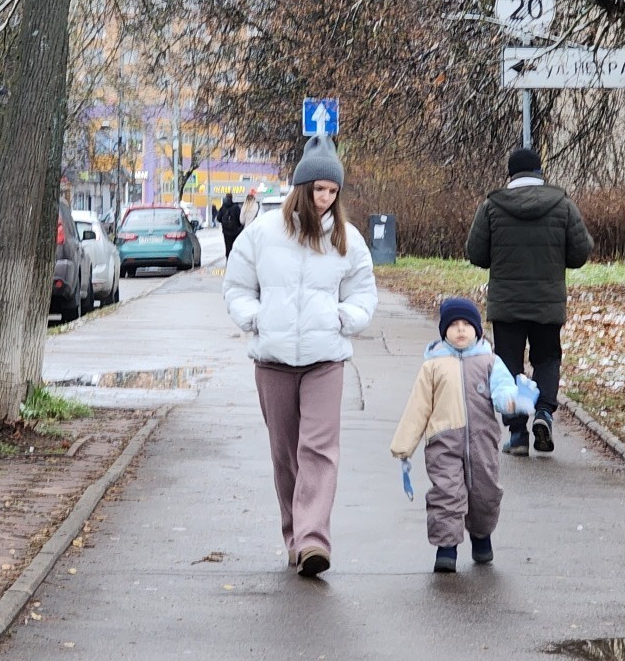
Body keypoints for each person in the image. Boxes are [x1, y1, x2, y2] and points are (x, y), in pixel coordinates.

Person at [222, 135, 378, 578]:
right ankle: (294, 537)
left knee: (319, 448)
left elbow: (364, 294)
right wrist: (257, 319)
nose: (326, 199)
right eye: (318, 190)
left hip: (324, 359)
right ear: (301, 188)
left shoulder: (348, 240)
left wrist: (340, 318)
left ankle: (313, 541)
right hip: (272, 360)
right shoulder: (262, 233)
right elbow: (236, 287)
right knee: (285, 453)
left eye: (333, 191)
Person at [390, 298, 538, 573]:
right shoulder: (433, 366)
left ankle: (481, 536)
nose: (460, 330)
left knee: (485, 492)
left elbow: (503, 391)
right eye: (454, 325)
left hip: (482, 441)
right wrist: (404, 445)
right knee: (446, 493)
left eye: (467, 325)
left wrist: (514, 401)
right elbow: (418, 407)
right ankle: (446, 548)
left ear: (477, 330)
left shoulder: (490, 361)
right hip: (443, 442)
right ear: (444, 330)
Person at [466, 147, 593, 457]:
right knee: (547, 358)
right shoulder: (562, 205)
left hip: (507, 304)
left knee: (508, 363)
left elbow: (475, 253)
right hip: (547, 302)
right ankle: (544, 412)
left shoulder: (492, 207)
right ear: (540, 172)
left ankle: (518, 433)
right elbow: (580, 253)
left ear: (510, 174)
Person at [217, 193, 242, 260]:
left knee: (227, 246)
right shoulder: (236, 207)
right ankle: (234, 259)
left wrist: (223, 222)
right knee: (234, 246)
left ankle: (228, 259)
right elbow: (239, 218)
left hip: (226, 231)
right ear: (232, 198)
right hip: (235, 231)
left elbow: (218, 218)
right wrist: (239, 226)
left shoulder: (223, 207)